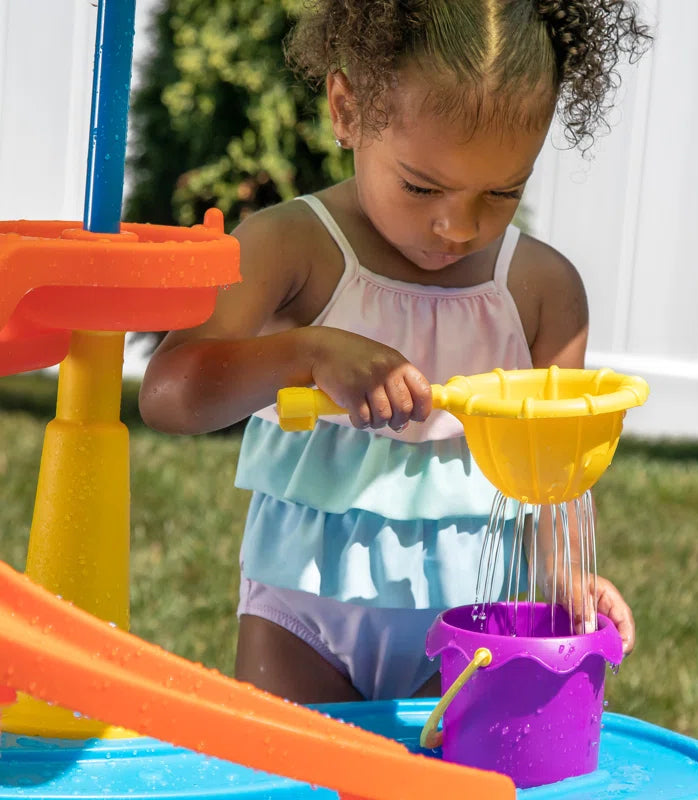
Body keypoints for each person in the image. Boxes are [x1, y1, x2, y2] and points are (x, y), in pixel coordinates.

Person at [140, 0, 650, 704]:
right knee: (305, 782)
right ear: (347, 110)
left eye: (503, 191)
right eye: (421, 185)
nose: (457, 226)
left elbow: (553, 475)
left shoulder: (541, 291)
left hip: (477, 628)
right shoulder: (292, 247)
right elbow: (169, 394)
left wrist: (565, 575)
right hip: (302, 616)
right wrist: (308, 352)